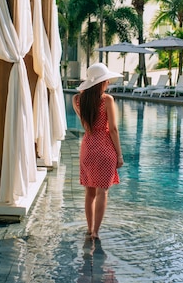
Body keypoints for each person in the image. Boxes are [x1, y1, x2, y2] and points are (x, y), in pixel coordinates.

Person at [72, 63, 124, 239]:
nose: (108, 82)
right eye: (106, 80)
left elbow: (86, 125)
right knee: (103, 191)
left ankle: (88, 228)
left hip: (87, 147)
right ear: (101, 82)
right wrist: (119, 154)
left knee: (89, 192)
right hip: (104, 149)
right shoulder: (107, 100)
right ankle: (96, 232)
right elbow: (113, 129)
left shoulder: (77, 100)